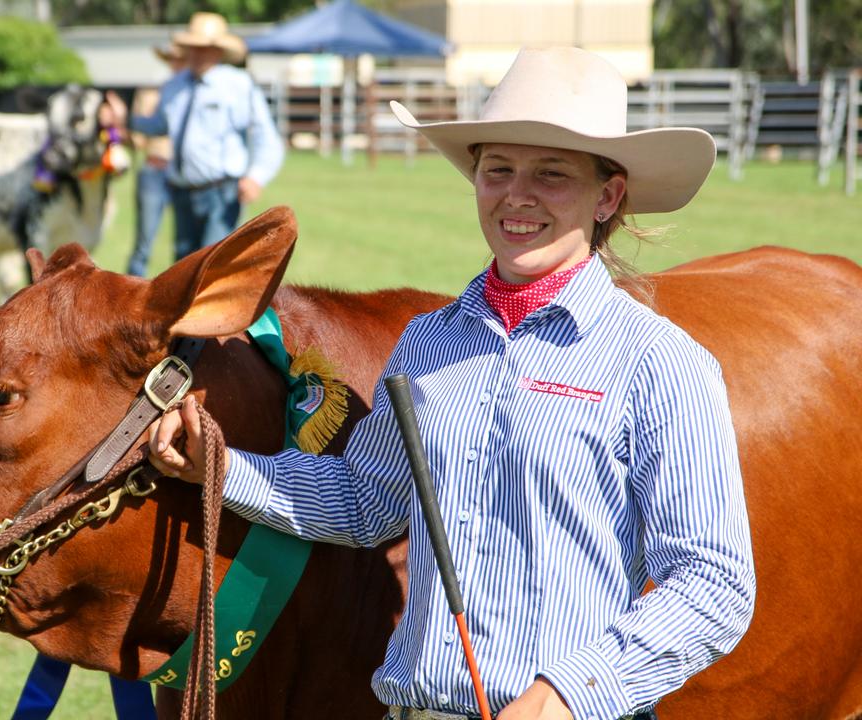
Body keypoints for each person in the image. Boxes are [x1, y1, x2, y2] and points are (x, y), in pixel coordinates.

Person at [148, 47, 756, 720]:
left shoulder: (661, 362)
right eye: (498, 170)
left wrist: (567, 693)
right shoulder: (429, 341)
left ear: (607, 195)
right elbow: (363, 500)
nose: (516, 196)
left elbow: (714, 583)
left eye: (551, 174)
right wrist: (220, 468)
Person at [112, 12, 285, 261]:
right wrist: (126, 120)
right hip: (182, 192)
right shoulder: (175, 85)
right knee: (184, 268)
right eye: (192, 48)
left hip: (220, 193)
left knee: (210, 268)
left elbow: (266, 137)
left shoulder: (238, 85)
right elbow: (161, 125)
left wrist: (256, 177)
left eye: (204, 49)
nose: (196, 54)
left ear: (218, 51)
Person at [126, 44, 187, 277]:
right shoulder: (152, 91)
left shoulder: (192, 90)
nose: (177, 63)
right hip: (155, 167)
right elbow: (138, 137)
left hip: (185, 173)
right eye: (174, 58)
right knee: (144, 242)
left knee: (185, 245)